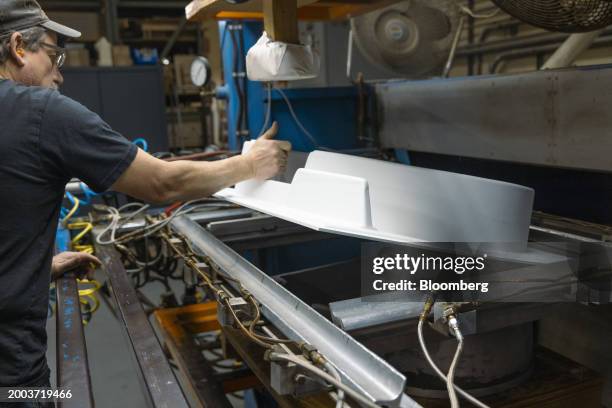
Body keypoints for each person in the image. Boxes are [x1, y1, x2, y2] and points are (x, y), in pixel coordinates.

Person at [0, 0, 291, 400]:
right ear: (18, 47)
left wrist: (33, 267)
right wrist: (247, 164)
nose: (60, 74)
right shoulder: (39, 110)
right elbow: (162, 184)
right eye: (52, 55)